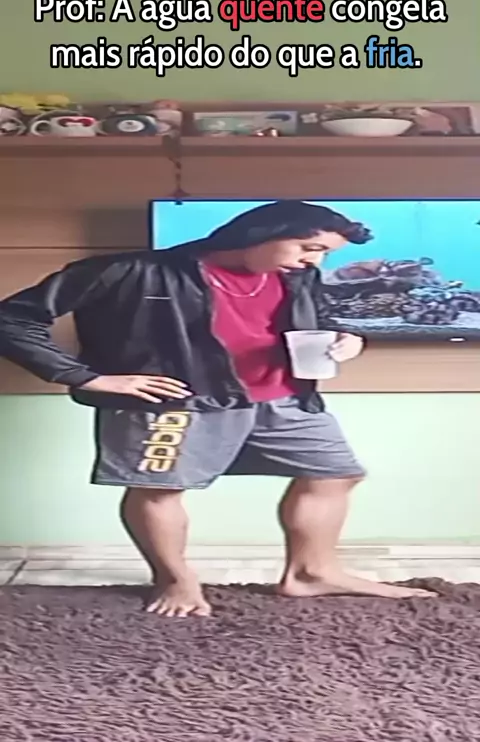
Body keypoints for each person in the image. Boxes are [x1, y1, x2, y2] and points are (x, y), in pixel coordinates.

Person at [0, 200, 433, 617]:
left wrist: (346, 337)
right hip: (176, 399)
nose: (314, 261)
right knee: (158, 489)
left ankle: (311, 573)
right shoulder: (128, 271)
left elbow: (316, 318)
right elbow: (12, 319)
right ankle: (174, 579)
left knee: (336, 474)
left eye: (323, 253)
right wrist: (85, 377)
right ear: (263, 233)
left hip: (282, 396)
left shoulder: (297, 276)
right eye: (309, 247)